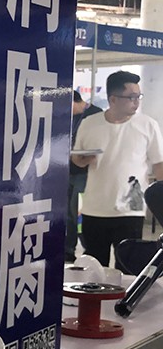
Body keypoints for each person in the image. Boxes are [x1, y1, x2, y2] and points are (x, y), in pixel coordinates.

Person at [72, 70, 163, 266]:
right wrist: (82, 160)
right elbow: (78, 159)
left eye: (138, 96)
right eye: (131, 97)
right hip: (95, 207)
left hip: (131, 209)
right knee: (95, 266)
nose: (136, 102)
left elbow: (159, 164)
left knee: (128, 266)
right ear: (113, 99)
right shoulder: (89, 124)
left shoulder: (148, 125)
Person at [66, 90, 101, 262]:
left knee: (78, 212)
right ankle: (68, 250)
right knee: (67, 213)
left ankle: (89, 250)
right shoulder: (68, 117)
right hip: (66, 171)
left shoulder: (95, 116)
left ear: (75, 101)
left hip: (85, 173)